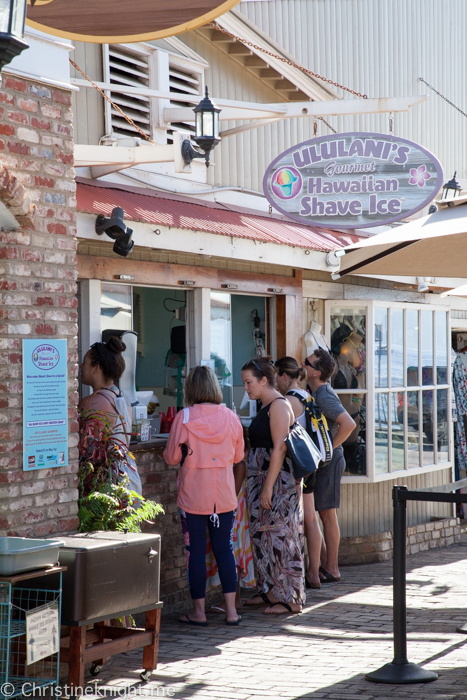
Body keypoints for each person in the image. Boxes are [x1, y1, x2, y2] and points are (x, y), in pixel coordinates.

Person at [163, 365, 244, 627]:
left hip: (192, 496)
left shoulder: (184, 417)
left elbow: (172, 457)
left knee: (195, 553)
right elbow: (238, 457)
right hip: (223, 495)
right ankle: (231, 611)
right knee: (225, 550)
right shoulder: (231, 417)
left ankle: (199, 612)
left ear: (191, 388)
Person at [241, 357, 305, 615]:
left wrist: (267, 487)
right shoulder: (266, 404)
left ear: (264, 380)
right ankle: (270, 591)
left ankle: (292, 598)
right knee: (261, 535)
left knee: (282, 536)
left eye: (249, 382)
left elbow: (279, 447)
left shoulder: (278, 405)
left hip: (276, 481)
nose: (246, 388)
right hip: (261, 479)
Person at [303, 348, 356, 584]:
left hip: (331, 460)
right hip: (324, 460)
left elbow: (349, 423)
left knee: (328, 514)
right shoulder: (314, 392)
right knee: (322, 514)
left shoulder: (324, 395)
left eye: (307, 363)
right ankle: (326, 565)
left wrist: (329, 449)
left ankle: (332, 568)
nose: (303, 365)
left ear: (316, 372)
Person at [275, 356, 322, 590]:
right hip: (311, 460)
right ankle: (314, 571)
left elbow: (281, 436)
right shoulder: (306, 395)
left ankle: (306, 571)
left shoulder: (289, 401)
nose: (275, 382)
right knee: (311, 519)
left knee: (303, 522)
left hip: (298, 464)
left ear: (285, 376)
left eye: (276, 376)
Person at [79, 337, 142, 495]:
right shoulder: (123, 398)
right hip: (129, 477)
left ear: (96, 368)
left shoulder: (91, 403)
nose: (80, 366)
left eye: (85, 362)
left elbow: (82, 447)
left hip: (106, 484)